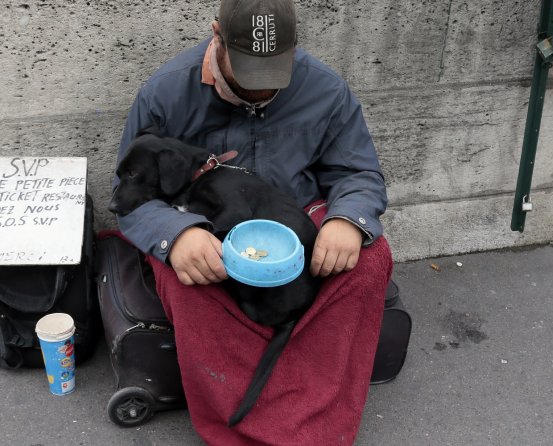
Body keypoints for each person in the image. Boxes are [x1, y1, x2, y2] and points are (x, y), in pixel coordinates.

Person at [115, 0, 393, 444]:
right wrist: (175, 235)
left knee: (371, 259)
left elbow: (358, 172)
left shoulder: (326, 89)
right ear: (217, 36)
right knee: (188, 278)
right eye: (248, 70)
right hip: (204, 227)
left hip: (296, 217)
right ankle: (246, 428)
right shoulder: (165, 93)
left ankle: (318, 415)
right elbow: (129, 193)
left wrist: (348, 219)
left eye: (274, 71)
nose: (261, 88)